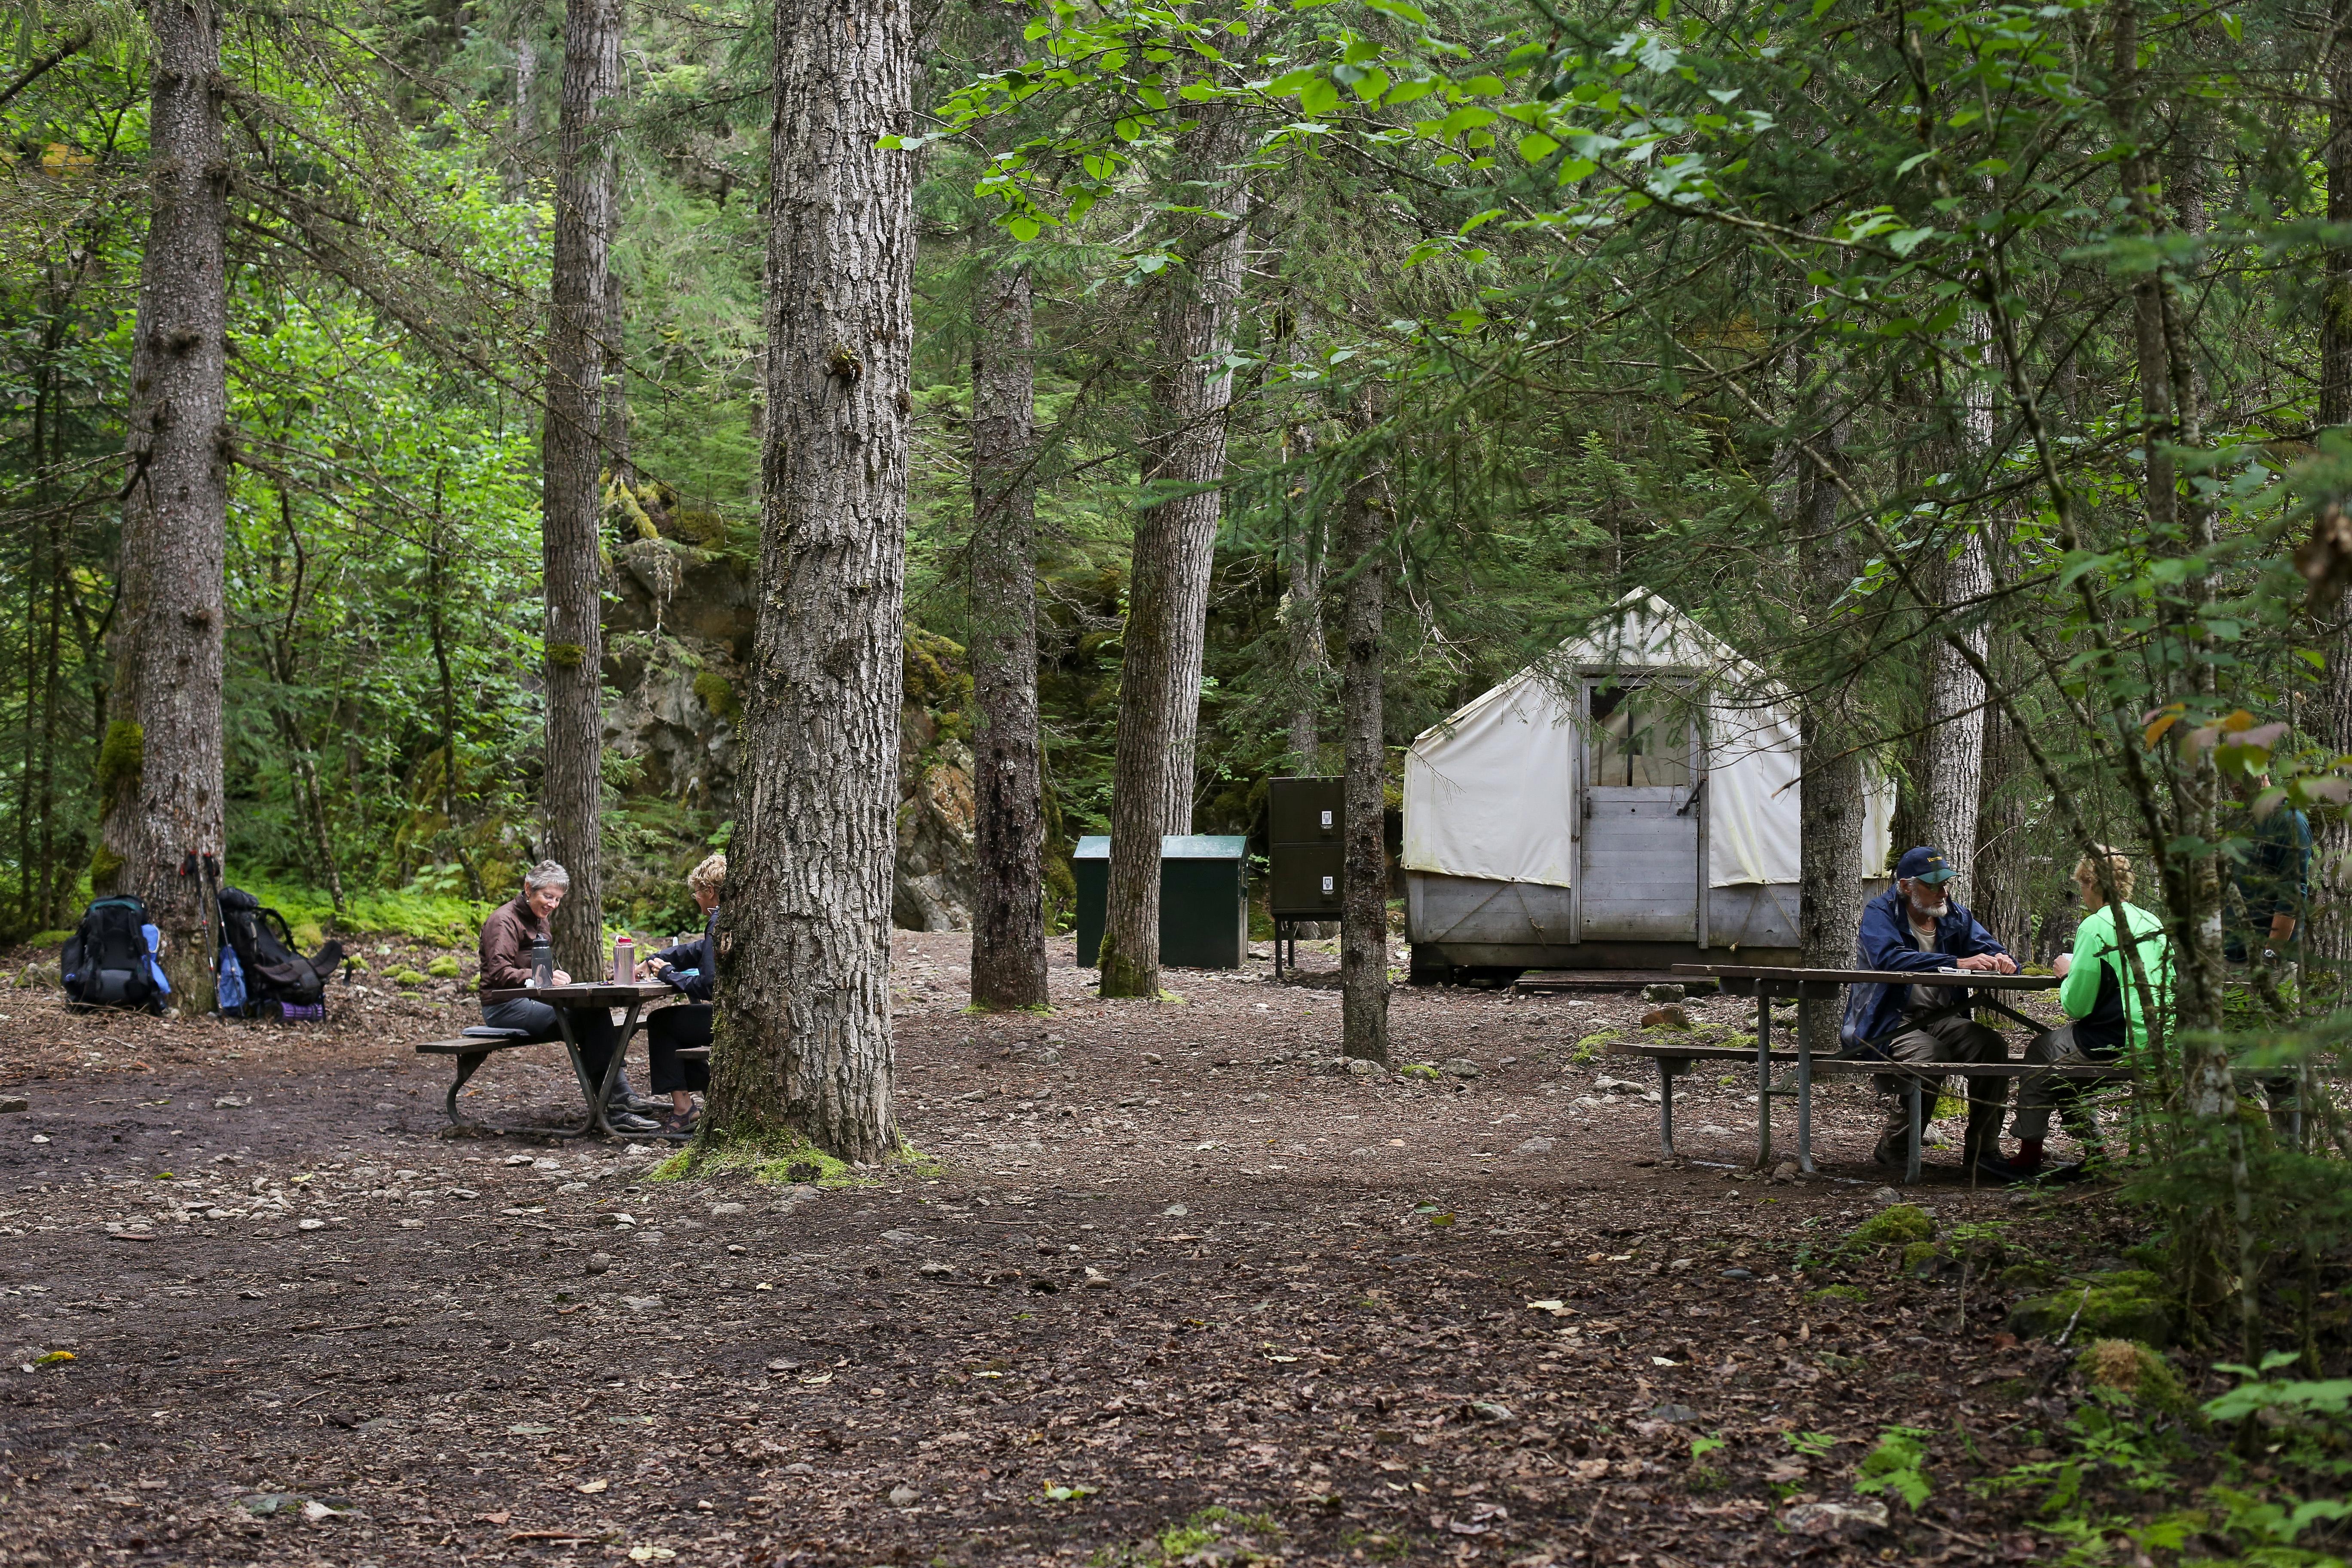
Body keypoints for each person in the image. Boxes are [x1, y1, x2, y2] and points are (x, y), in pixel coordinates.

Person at [1980, 846, 2171, 1182]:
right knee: (2067, 1068)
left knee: (2041, 1053)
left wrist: (2068, 972)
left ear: (2091, 883)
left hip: (2113, 1039)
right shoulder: (2151, 920)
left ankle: (2028, 1159)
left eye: (2082, 886)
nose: (2081, 894)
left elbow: (2077, 1006)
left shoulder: (2096, 926)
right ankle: (2095, 1157)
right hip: (2157, 1038)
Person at [1841, 845, 2019, 1170]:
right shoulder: (1880, 913)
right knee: (1930, 1056)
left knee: (1992, 1047)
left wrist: (2004, 961)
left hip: (1942, 1017)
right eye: (1933, 885)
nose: (1942, 892)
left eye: (1945, 883)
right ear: (1907, 886)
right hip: (1888, 1019)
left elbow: (1991, 948)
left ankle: (1983, 1152)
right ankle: (1895, 1147)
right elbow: (1888, 959)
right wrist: (1956, 962)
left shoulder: (1955, 915)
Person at [478, 860, 662, 1135]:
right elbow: (499, 971)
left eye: (557, 899)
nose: (552, 904)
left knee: (594, 1011)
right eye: (547, 897)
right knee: (590, 1018)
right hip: (505, 1006)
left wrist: (553, 976)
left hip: (535, 1002)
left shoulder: (540, 921)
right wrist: (542, 977)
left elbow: (540, 968)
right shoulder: (504, 921)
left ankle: (618, 1098)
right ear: (528, 889)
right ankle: (615, 1104)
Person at [640, 853, 723, 1134]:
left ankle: (684, 1109)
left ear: (709, 892)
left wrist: (668, 975)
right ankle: (704, 1095)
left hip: (732, 1018)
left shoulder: (719, 921)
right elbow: (697, 951)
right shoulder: (736, 916)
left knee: (662, 1023)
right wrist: (657, 958)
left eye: (697, 893)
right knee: (679, 1022)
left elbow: (709, 986)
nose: (696, 899)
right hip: (744, 1013)